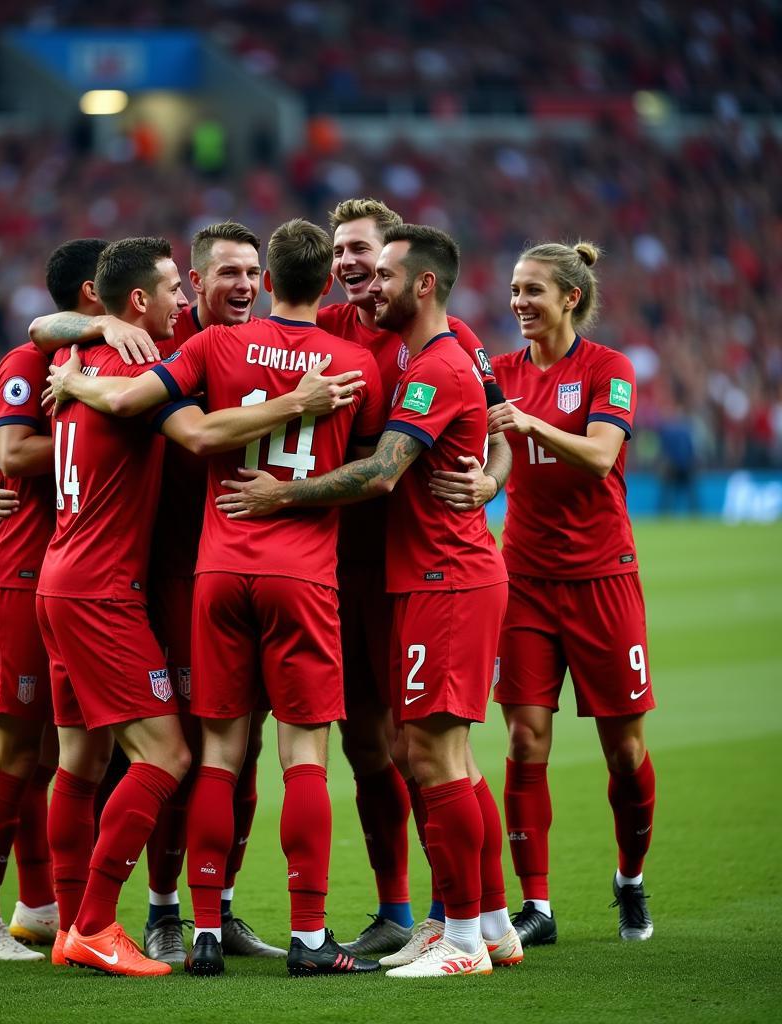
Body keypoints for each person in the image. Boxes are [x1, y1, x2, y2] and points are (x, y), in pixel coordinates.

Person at [45, 219, 385, 978]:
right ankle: (306, 937)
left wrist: (73, 376)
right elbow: (368, 460)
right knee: (300, 756)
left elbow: (144, 406)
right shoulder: (353, 360)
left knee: (215, 757)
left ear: (266, 282)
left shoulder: (206, 350)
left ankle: (198, 930)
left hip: (211, 571)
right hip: (296, 575)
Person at [215, 224, 523, 979]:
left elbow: (385, 473)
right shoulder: (420, 355)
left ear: (422, 283)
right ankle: (486, 923)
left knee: (433, 755)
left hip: (444, 579)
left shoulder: (439, 365)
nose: (367, 283)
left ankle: (457, 942)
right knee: (442, 755)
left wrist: (283, 494)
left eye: (382, 270)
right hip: (424, 577)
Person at [28, 222, 283, 962]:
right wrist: (299, 401)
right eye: (179, 286)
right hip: (106, 590)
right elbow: (201, 436)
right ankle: (100, 927)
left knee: (85, 759)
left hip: (68, 576)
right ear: (147, 299)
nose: (186, 297)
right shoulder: (141, 368)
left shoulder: (82, 358)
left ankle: (75, 923)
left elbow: (51, 333)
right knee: (168, 756)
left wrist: (88, 345)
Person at [317, 198, 511, 957]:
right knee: (372, 747)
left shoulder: (447, 342)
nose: (349, 264)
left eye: (362, 251)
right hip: (344, 572)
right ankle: (401, 911)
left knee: (427, 748)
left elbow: (496, 431)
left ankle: (455, 914)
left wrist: (492, 484)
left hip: (426, 563)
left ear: (402, 268)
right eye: (339, 252)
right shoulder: (322, 328)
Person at [484, 242, 656, 944]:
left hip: (602, 578)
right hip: (522, 578)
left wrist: (530, 424)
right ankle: (538, 907)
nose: (519, 302)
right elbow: (483, 450)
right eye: (515, 290)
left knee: (625, 749)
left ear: (570, 299)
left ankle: (631, 879)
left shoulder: (609, 368)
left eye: (533, 291)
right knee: (526, 739)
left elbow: (600, 455)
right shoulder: (498, 372)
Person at [0, 239, 122, 963]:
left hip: (60, 573)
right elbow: (15, 453)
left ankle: (37, 908)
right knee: (17, 752)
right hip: (16, 576)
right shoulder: (30, 365)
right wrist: (97, 422)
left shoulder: (94, 357)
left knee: (50, 755)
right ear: (93, 292)